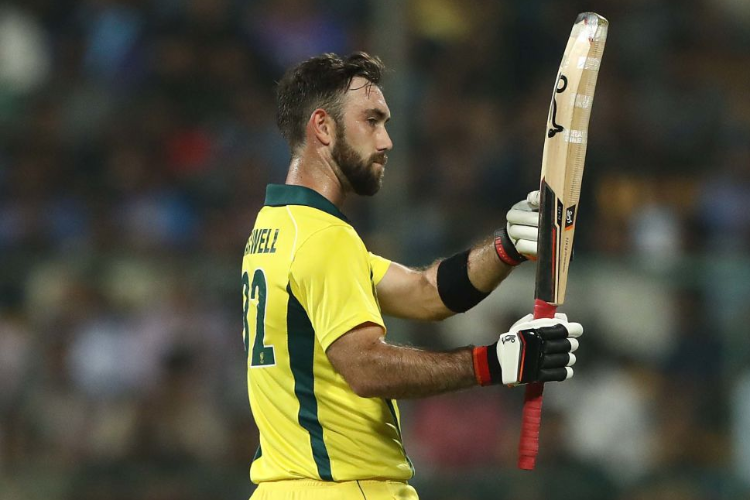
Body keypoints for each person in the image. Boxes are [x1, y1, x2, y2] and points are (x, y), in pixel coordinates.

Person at [241, 52, 583, 500]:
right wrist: (494, 362)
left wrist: (506, 247)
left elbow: (425, 293)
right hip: (344, 489)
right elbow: (365, 367)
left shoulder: (275, 227)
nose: (386, 141)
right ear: (323, 127)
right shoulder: (325, 238)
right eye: (372, 121)